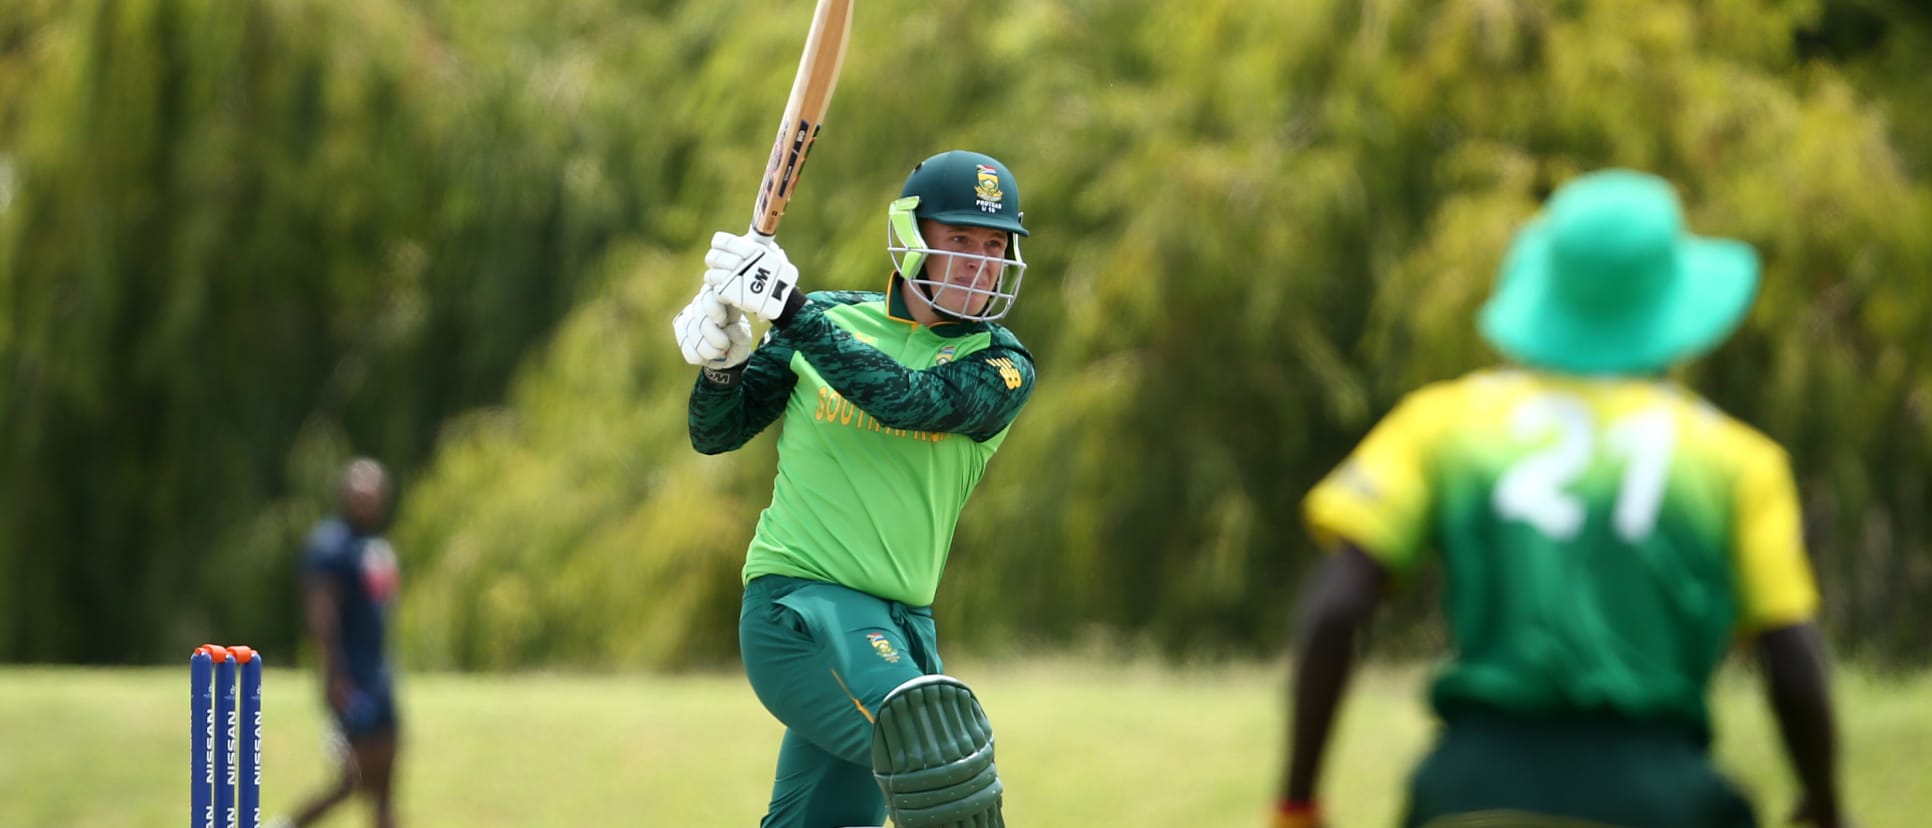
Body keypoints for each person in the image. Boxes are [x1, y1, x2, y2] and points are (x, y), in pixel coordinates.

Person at [1273, 170, 1850, 828]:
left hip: (1472, 790)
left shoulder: (1442, 424)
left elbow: (1336, 609)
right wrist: (1825, 806)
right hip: (1662, 794)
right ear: (1672, 307)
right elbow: (1792, 659)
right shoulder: (1736, 460)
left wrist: (1298, 800)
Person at [670, 149, 1036, 828]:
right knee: (941, 771)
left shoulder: (1002, 364)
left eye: (994, 245)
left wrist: (787, 308)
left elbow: (907, 397)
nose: (980, 261)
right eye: (959, 239)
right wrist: (721, 364)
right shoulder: (832, 321)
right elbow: (717, 433)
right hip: (802, 609)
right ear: (912, 238)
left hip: (903, 629)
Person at [272, 457, 404, 828]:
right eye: (358, 488)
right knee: (351, 780)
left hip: (380, 676)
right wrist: (333, 672)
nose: (366, 496)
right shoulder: (330, 545)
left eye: (373, 489)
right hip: (350, 677)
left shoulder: (378, 546)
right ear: (344, 493)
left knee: (386, 785)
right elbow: (320, 611)